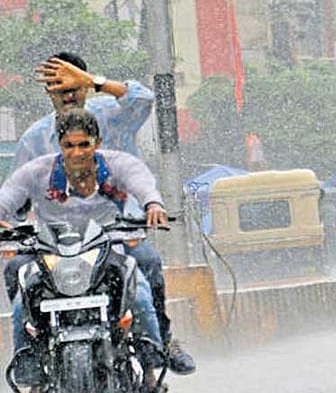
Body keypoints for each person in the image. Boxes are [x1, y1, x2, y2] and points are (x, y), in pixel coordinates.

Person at [8, 53, 196, 374]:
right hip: (58, 245)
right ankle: (35, 367)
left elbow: (144, 99)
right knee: (16, 270)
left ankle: (160, 350)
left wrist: (95, 81)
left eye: (74, 85)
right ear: (47, 92)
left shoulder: (113, 116)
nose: (68, 93)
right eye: (58, 86)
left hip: (117, 234)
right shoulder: (34, 139)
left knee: (146, 265)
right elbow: (17, 198)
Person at [0, 109, 179, 393]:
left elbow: (142, 183)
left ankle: (154, 381)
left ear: (96, 142)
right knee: (19, 298)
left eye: (84, 144)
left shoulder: (117, 164)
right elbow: (6, 198)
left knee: (138, 294)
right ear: (59, 144)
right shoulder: (36, 171)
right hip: (52, 257)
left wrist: (153, 204)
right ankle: (35, 383)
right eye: (69, 145)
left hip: (109, 251)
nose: (77, 152)